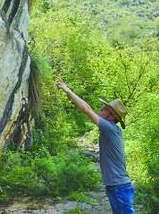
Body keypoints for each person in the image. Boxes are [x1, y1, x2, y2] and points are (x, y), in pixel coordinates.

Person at [56, 77, 135, 214]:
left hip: (119, 187)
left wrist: (67, 90)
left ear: (111, 117)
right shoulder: (111, 129)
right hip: (115, 186)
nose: (100, 109)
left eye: (104, 109)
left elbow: (87, 109)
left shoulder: (109, 128)